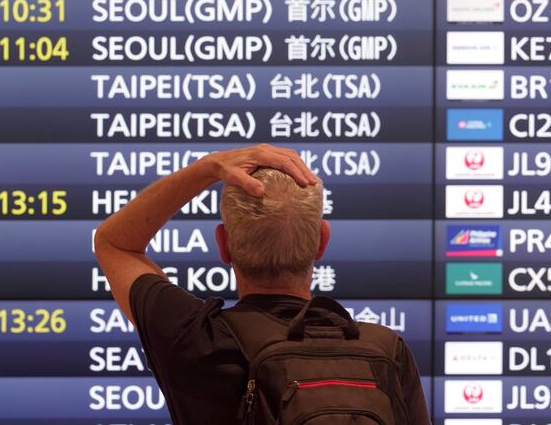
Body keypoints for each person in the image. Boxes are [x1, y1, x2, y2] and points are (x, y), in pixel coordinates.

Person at [94, 144, 430, 424]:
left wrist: (207, 169)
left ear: (223, 244)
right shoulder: (386, 352)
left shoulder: (197, 341)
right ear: (321, 242)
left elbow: (115, 243)